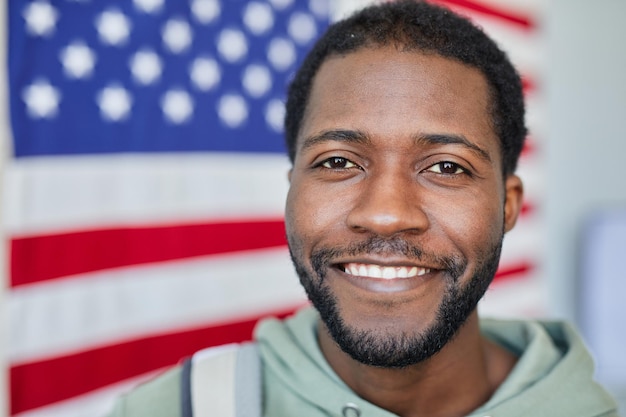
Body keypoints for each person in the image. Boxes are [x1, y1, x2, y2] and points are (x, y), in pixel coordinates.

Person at [106, 1, 619, 416]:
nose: (385, 214)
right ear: (292, 188)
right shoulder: (177, 408)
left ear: (507, 206)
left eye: (446, 167)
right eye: (337, 161)